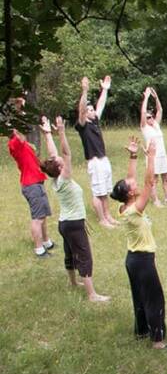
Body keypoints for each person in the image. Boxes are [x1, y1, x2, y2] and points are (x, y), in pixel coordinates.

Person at [39, 117, 108, 301]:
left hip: (65, 224)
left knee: (70, 253)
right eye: (60, 161)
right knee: (84, 256)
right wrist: (61, 131)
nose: (60, 159)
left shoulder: (56, 178)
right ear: (61, 168)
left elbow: (55, 155)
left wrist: (47, 134)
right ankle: (92, 294)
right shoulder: (65, 177)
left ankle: (72, 282)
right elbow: (66, 153)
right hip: (74, 224)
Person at [111, 136, 167, 349]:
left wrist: (134, 155)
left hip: (132, 260)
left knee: (140, 296)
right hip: (143, 261)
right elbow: (148, 182)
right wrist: (151, 157)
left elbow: (131, 178)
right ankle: (158, 341)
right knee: (155, 299)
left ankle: (142, 331)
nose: (133, 182)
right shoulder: (135, 210)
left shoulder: (124, 206)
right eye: (132, 185)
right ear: (131, 193)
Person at [8, 121, 54, 257]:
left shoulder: (20, 143)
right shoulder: (15, 143)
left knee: (42, 215)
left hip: (36, 182)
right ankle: (39, 249)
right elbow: (22, 133)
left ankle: (47, 242)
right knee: (37, 218)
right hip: (31, 185)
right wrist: (20, 111)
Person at [76, 75, 117, 227]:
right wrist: (84, 91)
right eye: (89, 110)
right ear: (85, 113)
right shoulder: (82, 125)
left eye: (92, 109)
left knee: (105, 191)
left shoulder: (94, 122)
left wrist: (105, 90)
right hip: (94, 161)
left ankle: (108, 216)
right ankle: (101, 220)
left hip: (103, 159)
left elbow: (100, 105)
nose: (93, 111)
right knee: (97, 193)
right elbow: (81, 111)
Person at [140, 87, 167, 206]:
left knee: (165, 178)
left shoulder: (156, 125)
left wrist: (156, 98)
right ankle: (155, 200)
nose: (151, 118)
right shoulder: (144, 128)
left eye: (152, 116)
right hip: (152, 156)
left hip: (162, 155)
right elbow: (143, 112)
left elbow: (160, 109)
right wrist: (146, 98)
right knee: (153, 180)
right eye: (149, 117)